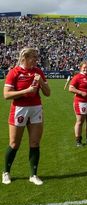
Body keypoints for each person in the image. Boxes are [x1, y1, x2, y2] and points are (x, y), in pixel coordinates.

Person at [2, 47, 51, 185]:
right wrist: (26, 91)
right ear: (25, 58)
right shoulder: (14, 72)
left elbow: (48, 93)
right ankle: (6, 172)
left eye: (36, 57)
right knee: (14, 143)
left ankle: (33, 175)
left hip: (36, 109)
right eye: (33, 57)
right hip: (19, 109)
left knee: (35, 143)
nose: (36, 60)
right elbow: (6, 95)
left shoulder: (38, 71)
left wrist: (41, 81)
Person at [68, 61, 87, 146]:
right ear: (81, 68)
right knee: (80, 121)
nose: (86, 69)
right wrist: (81, 92)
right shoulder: (77, 77)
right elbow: (70, 88)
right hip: (81, 102)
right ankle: (78, 140)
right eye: (84, 67)